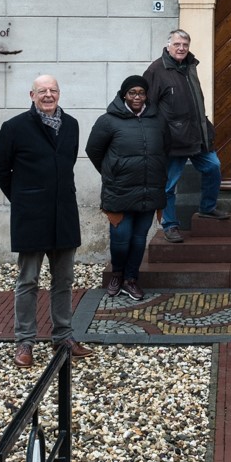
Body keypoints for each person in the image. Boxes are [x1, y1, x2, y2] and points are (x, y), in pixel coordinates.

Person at [0, 75, 93, 368]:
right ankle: (25, 341)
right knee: (28, 280)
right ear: (32, 94)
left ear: (59, 93)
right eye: (42, 91)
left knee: (64, 280)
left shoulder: (71, 125)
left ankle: (63, 336)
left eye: (53, 90)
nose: (48, 95)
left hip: (64, 214)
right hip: (31, 216)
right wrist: (22, 198)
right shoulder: (14, 127)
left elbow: (66, 165)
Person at [85, 75, 168, 301]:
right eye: (132, 93)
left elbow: (165, 149)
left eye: (141, 93)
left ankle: (131, 279)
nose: (137, 97)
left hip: (149, 191)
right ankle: (117, 275)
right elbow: (93, 150)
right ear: (124, 95)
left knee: (139, 239)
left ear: (146, 96)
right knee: (121, 239)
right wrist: (111, 173)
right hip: (120, 192)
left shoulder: (157, 119)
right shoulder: (108, 121)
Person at [144, 29, 230, 243]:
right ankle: (170, 225)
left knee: (213, 167)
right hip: (173, 140)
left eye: (185, 44)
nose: (181, 48)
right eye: (177, 44)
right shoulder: (156, 70)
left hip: (197, 134)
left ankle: (207, 208)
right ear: (168, 46)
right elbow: (148, 106)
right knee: (168, 185)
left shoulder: (190, 65)